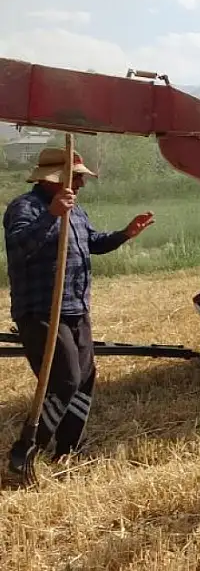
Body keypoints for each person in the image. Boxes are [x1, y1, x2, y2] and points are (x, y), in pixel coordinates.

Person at [5, 147, 155, 477]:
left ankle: (69, 450)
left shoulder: (76, 210)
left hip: (75, 308)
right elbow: (18, 249)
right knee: (64, 380)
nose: (81, 184)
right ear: (53, 180)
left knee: (85, 380)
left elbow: (93, 243)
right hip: (42, 311)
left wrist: (125, 234)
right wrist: (51, 216)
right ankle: (24, 452)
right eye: (76, 178)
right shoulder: (25, 207)